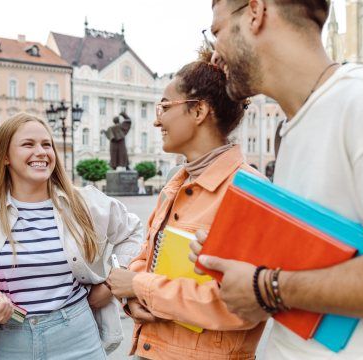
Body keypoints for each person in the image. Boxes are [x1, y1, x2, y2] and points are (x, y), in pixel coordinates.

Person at [191, 1, 363, 359]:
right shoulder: (293, 128)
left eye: (215, 32)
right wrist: (242, 268)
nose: (214, 55)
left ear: (256, 13)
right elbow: (322, 276)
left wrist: (266, 287)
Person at [0, 112, 142, 359]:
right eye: (28, 144)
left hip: (77, 337)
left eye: (47, 144)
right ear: (5, 157)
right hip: (7, 343)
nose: (42, 152)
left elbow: (133, 232)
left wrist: (111, 284)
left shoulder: (82, 201)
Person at [106, 50, 265, 360]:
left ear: (199, 111)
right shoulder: (175, 184)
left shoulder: (249, 193)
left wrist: (140, 286)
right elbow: (146, 258)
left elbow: (240, 307)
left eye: (165, 106)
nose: (156, 119)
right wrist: (132, 298)